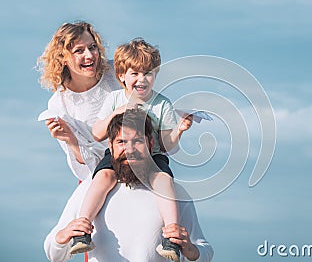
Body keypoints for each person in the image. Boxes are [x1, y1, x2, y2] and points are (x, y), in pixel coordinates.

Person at [72, 38, 193, 261]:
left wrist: (180, 129)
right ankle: (82, 229)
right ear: (122, 76)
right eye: (134, 73)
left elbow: (167, 145)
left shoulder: (162, 103)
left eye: (148, 73)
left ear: (155, 76)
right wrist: (117, 112)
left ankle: (171, 236)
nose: (141, 79)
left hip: (152, 155)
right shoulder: (114, 98)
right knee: (102, 177)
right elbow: (97, 133)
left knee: (164, 180)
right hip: (118, 154)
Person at [44, 109, 214, 262]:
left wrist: (191, 250)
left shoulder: (173, 192)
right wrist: (62, 236)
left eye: (138, 141)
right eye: (121, 142)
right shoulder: (90, 188)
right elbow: (54, 254)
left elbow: (204, 251)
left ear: (151, 144)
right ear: (110, 146)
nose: (130, 149)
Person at [36, 21, 120, 181]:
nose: (89, 55)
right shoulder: (58, 105)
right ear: (63, 59)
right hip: (102, 175)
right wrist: (71, 141)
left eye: (92, 47)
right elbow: (86, 163)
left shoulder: (116, 72)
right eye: (79, 51)